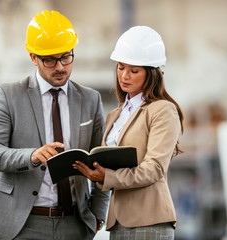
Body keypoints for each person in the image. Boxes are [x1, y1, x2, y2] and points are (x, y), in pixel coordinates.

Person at [0, 10, 109, 240]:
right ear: (33, 57)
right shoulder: (8, 95)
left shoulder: (91, 99)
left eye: (66, 57)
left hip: (75, 224)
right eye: (50, 59)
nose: (60, 67)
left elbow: (101, 161)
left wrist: (98, 214)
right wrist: (31, 156)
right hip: (22, 225)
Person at [74, 26, 184, 239]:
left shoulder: (162, 110)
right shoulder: (115, 115)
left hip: (149, 220)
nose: (124, 76)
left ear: (151, 73)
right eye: (120, 67)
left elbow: (154, 169)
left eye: (134, 71)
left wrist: (108, 176)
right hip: (118, 221)